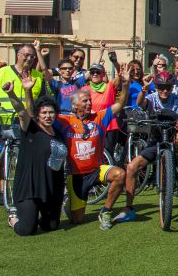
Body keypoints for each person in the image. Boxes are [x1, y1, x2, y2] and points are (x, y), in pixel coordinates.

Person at [55, 66, 131, 229]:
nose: (90, 103)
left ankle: (106, 211)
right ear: (75, 106)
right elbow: (41, 116)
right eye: (85, 101)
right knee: (77, 219)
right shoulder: (64, 121)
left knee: (120, 174)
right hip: (75, 176)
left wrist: (125, 85)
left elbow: (120, 104)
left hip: (96, 170)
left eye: (90, 100)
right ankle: (70, 202)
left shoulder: (100, 117)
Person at [2, 77, 66, 236]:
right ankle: (14, 218)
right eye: (44, 112)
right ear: (38, 115)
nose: (48, 116)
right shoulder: (31, 130)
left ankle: (37, 214)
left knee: (50, 226)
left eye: (51, 112)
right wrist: (12, 93)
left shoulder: (58, 134)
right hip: (29, 187)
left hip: (51, 188)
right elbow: (22, 112)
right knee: (27, 229)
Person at [0, 44, 46, 126]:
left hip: (29, 122)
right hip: (6, 122)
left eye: (32, 56)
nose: (29, 59)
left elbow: (43, 101)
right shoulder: (3, 72)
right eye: (26, 55)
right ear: (18, 55)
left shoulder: (38, 76)